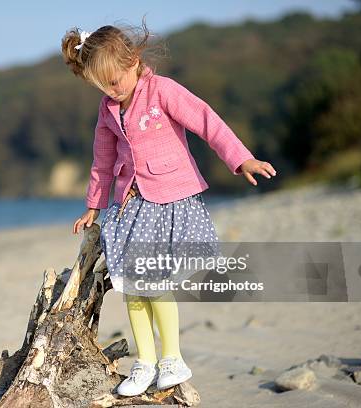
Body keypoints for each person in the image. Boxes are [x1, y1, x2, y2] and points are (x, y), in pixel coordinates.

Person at [62, 20, 277, 397]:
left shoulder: (162, 91)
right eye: (104, 85)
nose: (113, 90)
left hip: (169, 199)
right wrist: (93, 206)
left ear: (134, 61)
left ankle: (172, 359)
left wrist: (241, 159)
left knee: (155, 283)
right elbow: (102, 159)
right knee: (132, 287)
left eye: (116, 80)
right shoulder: (108, 109)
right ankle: (144, 362)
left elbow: (207, 122)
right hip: (132, 205)